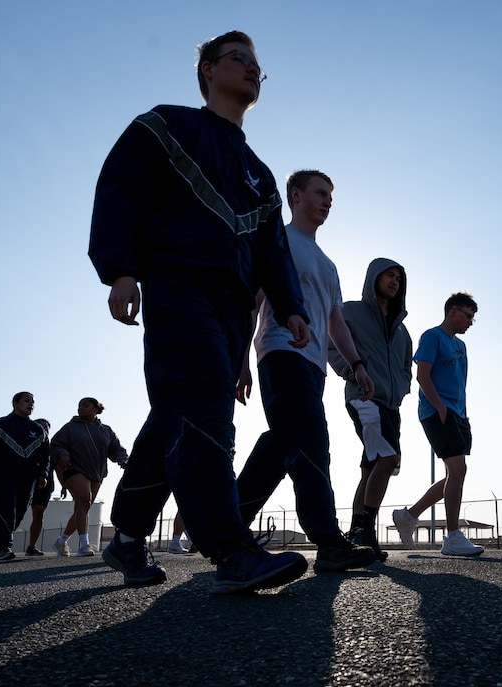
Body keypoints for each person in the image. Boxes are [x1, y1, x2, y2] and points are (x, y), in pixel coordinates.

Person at [88, 30, 312, 593]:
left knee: (177, 415)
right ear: (209, 70)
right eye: (241, 60)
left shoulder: (259, 173)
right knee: (202, 404)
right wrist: (120, 269)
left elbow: (272, 252)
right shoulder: (166, 126)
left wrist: (291, 308)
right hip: (177, 285)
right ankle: (230, 547)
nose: (254, 70)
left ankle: (126, 537)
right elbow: (121, 191)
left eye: (260, 65)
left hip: (232, 307)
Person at [234, 170, 376, 573]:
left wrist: (357, 365)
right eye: (320, 192)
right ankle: (328, 540)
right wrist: (240, 360)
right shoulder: (276, 241)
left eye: (331, 195)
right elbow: (251, 303)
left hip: (314, 365)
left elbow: (336, 323)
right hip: (279, 351)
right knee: (312, 439)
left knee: (283, 443)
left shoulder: (328, 265)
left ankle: (225, 522)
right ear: (296, 195)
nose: (328, 200)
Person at [328, 259, 413, 560]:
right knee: (388, 458)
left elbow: (406, 366)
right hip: (364, 399)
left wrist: (402, 387)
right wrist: (352, 372)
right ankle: (367, 530)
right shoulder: (350, 311)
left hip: (391, 404)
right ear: (374, 277)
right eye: (389, 275)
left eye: (399, 278)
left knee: (371, 467)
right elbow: (330, 343)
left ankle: (356, 531)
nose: (394, 281)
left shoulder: (402, 330)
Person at [392, 293, 485, 556]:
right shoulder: (432, 336)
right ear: (453, 311)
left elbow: (461, 383)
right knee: (458, 469)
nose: (470, 322)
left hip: (457, 413)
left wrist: (463, 412)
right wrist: (441, 407)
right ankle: (453, 536)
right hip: (436, 411)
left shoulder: (462, 347)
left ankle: (409, 516)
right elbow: (422, 375)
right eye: (468, 316)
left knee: (454, 474)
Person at [0, 392, 50, 561]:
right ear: (15, 403)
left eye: (33, 402)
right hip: (3, 473)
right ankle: (2, 546)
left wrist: (43, 473)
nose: (31, 404)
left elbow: (45, 456)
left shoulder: (38, 430)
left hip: (28, 476)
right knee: (5, 507)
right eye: (27, 401)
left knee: (20, 510)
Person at [50, 398, 129, 557]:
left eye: (85, 406)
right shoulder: (70, 427)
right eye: (79, 406)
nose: (80, 409)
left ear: (95, 409)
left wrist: (123, 459)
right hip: (74, 469)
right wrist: (63, 454)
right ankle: (84, 545)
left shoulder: (106, 430)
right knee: (85, 501)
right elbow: (56, 444)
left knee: (82, 507)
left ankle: (61, 541)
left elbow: (116, 448)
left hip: (97, 472)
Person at [26, 418, 56, 555]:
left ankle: (31, 546)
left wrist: (64, 485)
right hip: (25, 480)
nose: (44, 429)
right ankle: (3, 542)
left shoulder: (51, 448)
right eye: (41, 426)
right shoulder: (25, 443)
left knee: (38, 513)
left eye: (47, 427)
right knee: (14, 512)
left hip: (45, 483)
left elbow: (58, 468)